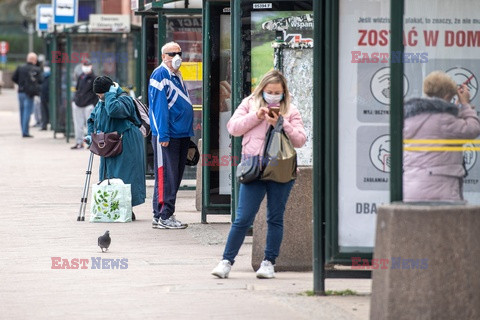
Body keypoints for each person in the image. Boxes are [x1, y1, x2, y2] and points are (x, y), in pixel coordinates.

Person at [211, 70, 306, 279]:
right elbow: (233, 127)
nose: (273, 95)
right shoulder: (249, 104)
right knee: (243, 218)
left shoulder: (291, 110)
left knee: (275, 217)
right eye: (269, 91)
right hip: (254, 169)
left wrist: (281, 123)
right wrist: (257, 116)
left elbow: (300, 140)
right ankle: (226, 261)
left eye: (277, 92)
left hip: (281, 170)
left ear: (284, 93)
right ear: (262, 89)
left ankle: (268, 263)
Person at [403, 71, 480, 202]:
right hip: (440, 189)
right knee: (445, 222)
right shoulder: (445, 120)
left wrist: (454, 111)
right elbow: (473, 129)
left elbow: (436, 127)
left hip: (411, 186)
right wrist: (465, 105)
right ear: (447, 95)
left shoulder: (411, 116)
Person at [85, 76, 146, 221]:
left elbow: (114, 111)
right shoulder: (102, 101)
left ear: (108, 90)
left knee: (125, 175)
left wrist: (111, 94)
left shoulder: (123, 99)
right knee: (109, 176)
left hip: (126, 142)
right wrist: (90, 135)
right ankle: (112, 206)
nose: (99, 97)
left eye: (100, 94)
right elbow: (92, 119)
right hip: (109, 144)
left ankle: (126, 207)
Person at [148, 41, 193, 230]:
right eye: (172, 53)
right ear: (163, 56)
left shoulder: (176, 75)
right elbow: (159, 108)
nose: (177, 57)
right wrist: (163, 135)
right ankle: (163, 215)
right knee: (166, 175)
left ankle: (164, 213)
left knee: (173, 175)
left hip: (180, 134)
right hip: (169, 135)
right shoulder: (160, 74)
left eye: (179, 53)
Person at [12, 52, 43, 138]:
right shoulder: (36, 69)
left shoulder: (20, 67)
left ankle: (23, 130)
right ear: (34, 60)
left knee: (22, 112)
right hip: (29, 93)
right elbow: (41, 80)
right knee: (27, 112)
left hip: (20, 92)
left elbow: (13, 78)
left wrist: (20, 84)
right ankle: (25, 132)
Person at [71, 59, 98, 149]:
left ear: (91, 66)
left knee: (90, 124)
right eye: (84, 65)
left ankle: (91, 143)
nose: (86, 67)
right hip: (78, 103)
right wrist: (74, 100)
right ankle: (79, 143)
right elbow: (77, 89)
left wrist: (93, 104)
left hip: (89, 104)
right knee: (78, 125)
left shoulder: (94, 78)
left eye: (87, 65)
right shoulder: (81, 76)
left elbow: (96, 93)